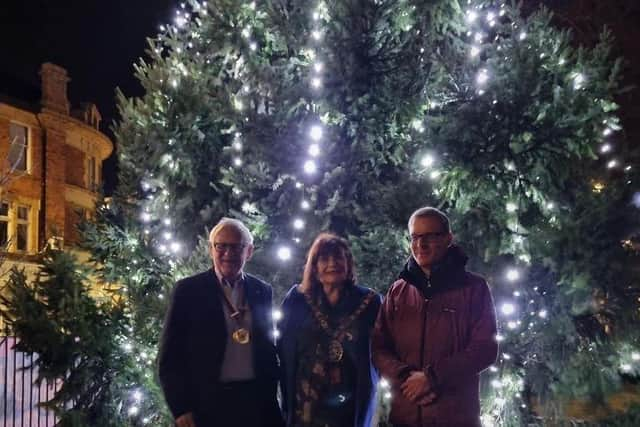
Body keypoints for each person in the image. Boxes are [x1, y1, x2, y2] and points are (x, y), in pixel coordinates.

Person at [372, 207, 498, 427]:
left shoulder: (474, 288)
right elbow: (379, 347)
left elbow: (484, 349)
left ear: (449, 238)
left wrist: (432, 379)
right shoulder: (397, 291)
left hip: (455, 418)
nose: (421, 244)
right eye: (415, 237)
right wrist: (407, 379)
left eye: (430, 235)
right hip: (405, 417)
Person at [158, 218, 283, 427]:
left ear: (249, 251)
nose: (228, 253)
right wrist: (180, 408)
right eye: (221, 246)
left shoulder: (262, 291)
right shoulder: (188, 291)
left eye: (236, 247)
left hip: (254, 404)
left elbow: (266, 349)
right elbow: (169, 357)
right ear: (211, 249)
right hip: (206, 406)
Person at [277, 233, 382, 427]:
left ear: (348, 264)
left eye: (338, 257)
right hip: (305, 401)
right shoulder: (297, 300)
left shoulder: (370, 303)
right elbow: (283, 347)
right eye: (324, 259)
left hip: (350, 402)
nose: (332, 263)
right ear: (314, 268)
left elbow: (382, 348)